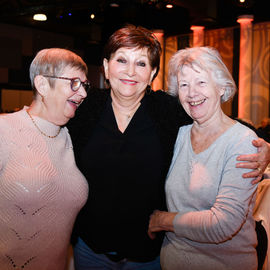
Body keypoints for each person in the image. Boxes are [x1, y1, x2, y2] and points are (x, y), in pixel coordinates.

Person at [67, 25, 270, 270]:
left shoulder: (167, 112)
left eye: (141, 64)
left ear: (152, 73)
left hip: (149, 256)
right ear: (107, 67)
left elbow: (218, 123)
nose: (131, 71)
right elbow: (46, 127)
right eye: (122, 60)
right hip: (91, 250)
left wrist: (262, 145)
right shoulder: (82, 110)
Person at [148, 46, 260, 270]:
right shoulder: (177, 135)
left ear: (220, 87)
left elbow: (223, 225)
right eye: (184, 85)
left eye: (201, 82)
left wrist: (163, 220)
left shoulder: (242, 141)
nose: (192, 93)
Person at [0, 48, 89, 270]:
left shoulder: (71, 137)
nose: (84, 93)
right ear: (41, 85)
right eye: (74, 83)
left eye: (84, 85)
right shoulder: (4, 130)